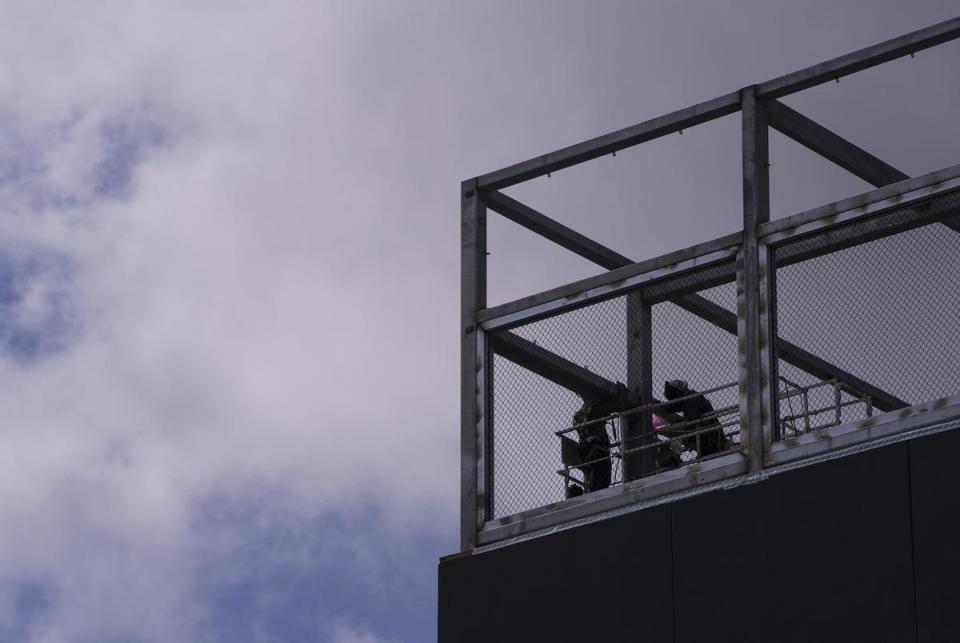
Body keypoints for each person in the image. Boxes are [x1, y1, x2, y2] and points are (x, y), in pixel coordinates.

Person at [662, 380, 727, 458]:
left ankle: (673, 456)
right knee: (673, 423)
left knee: (674, 427)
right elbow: (673, 407)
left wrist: (681, 422)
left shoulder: (691, 399)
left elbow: (694, 417)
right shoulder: (690, 398)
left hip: (710, 440)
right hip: (709, 438)